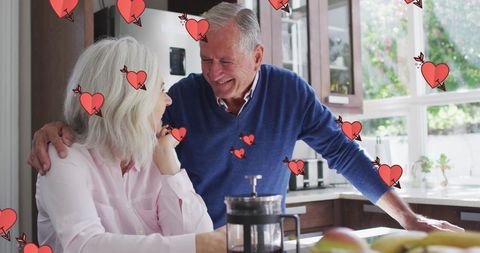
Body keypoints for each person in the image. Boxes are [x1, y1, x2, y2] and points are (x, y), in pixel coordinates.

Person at [30, 3, 463, 233]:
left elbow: (344, 154)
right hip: (197, 244)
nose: (213, 73)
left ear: (257, 56)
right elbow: (120, 120)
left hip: (259, 241)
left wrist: (406, 217)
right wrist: (66, 128)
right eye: (205, 59)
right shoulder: (180, 98)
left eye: (226, 60)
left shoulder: (290, 93)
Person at [34, 37, 225, 253]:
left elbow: (199, 233)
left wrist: (170, 168)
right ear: (131, 100)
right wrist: (200, 244)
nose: (168, 101)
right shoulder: (64, 160)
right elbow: (84, 246)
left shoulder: (153, 156)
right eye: (161, 90)